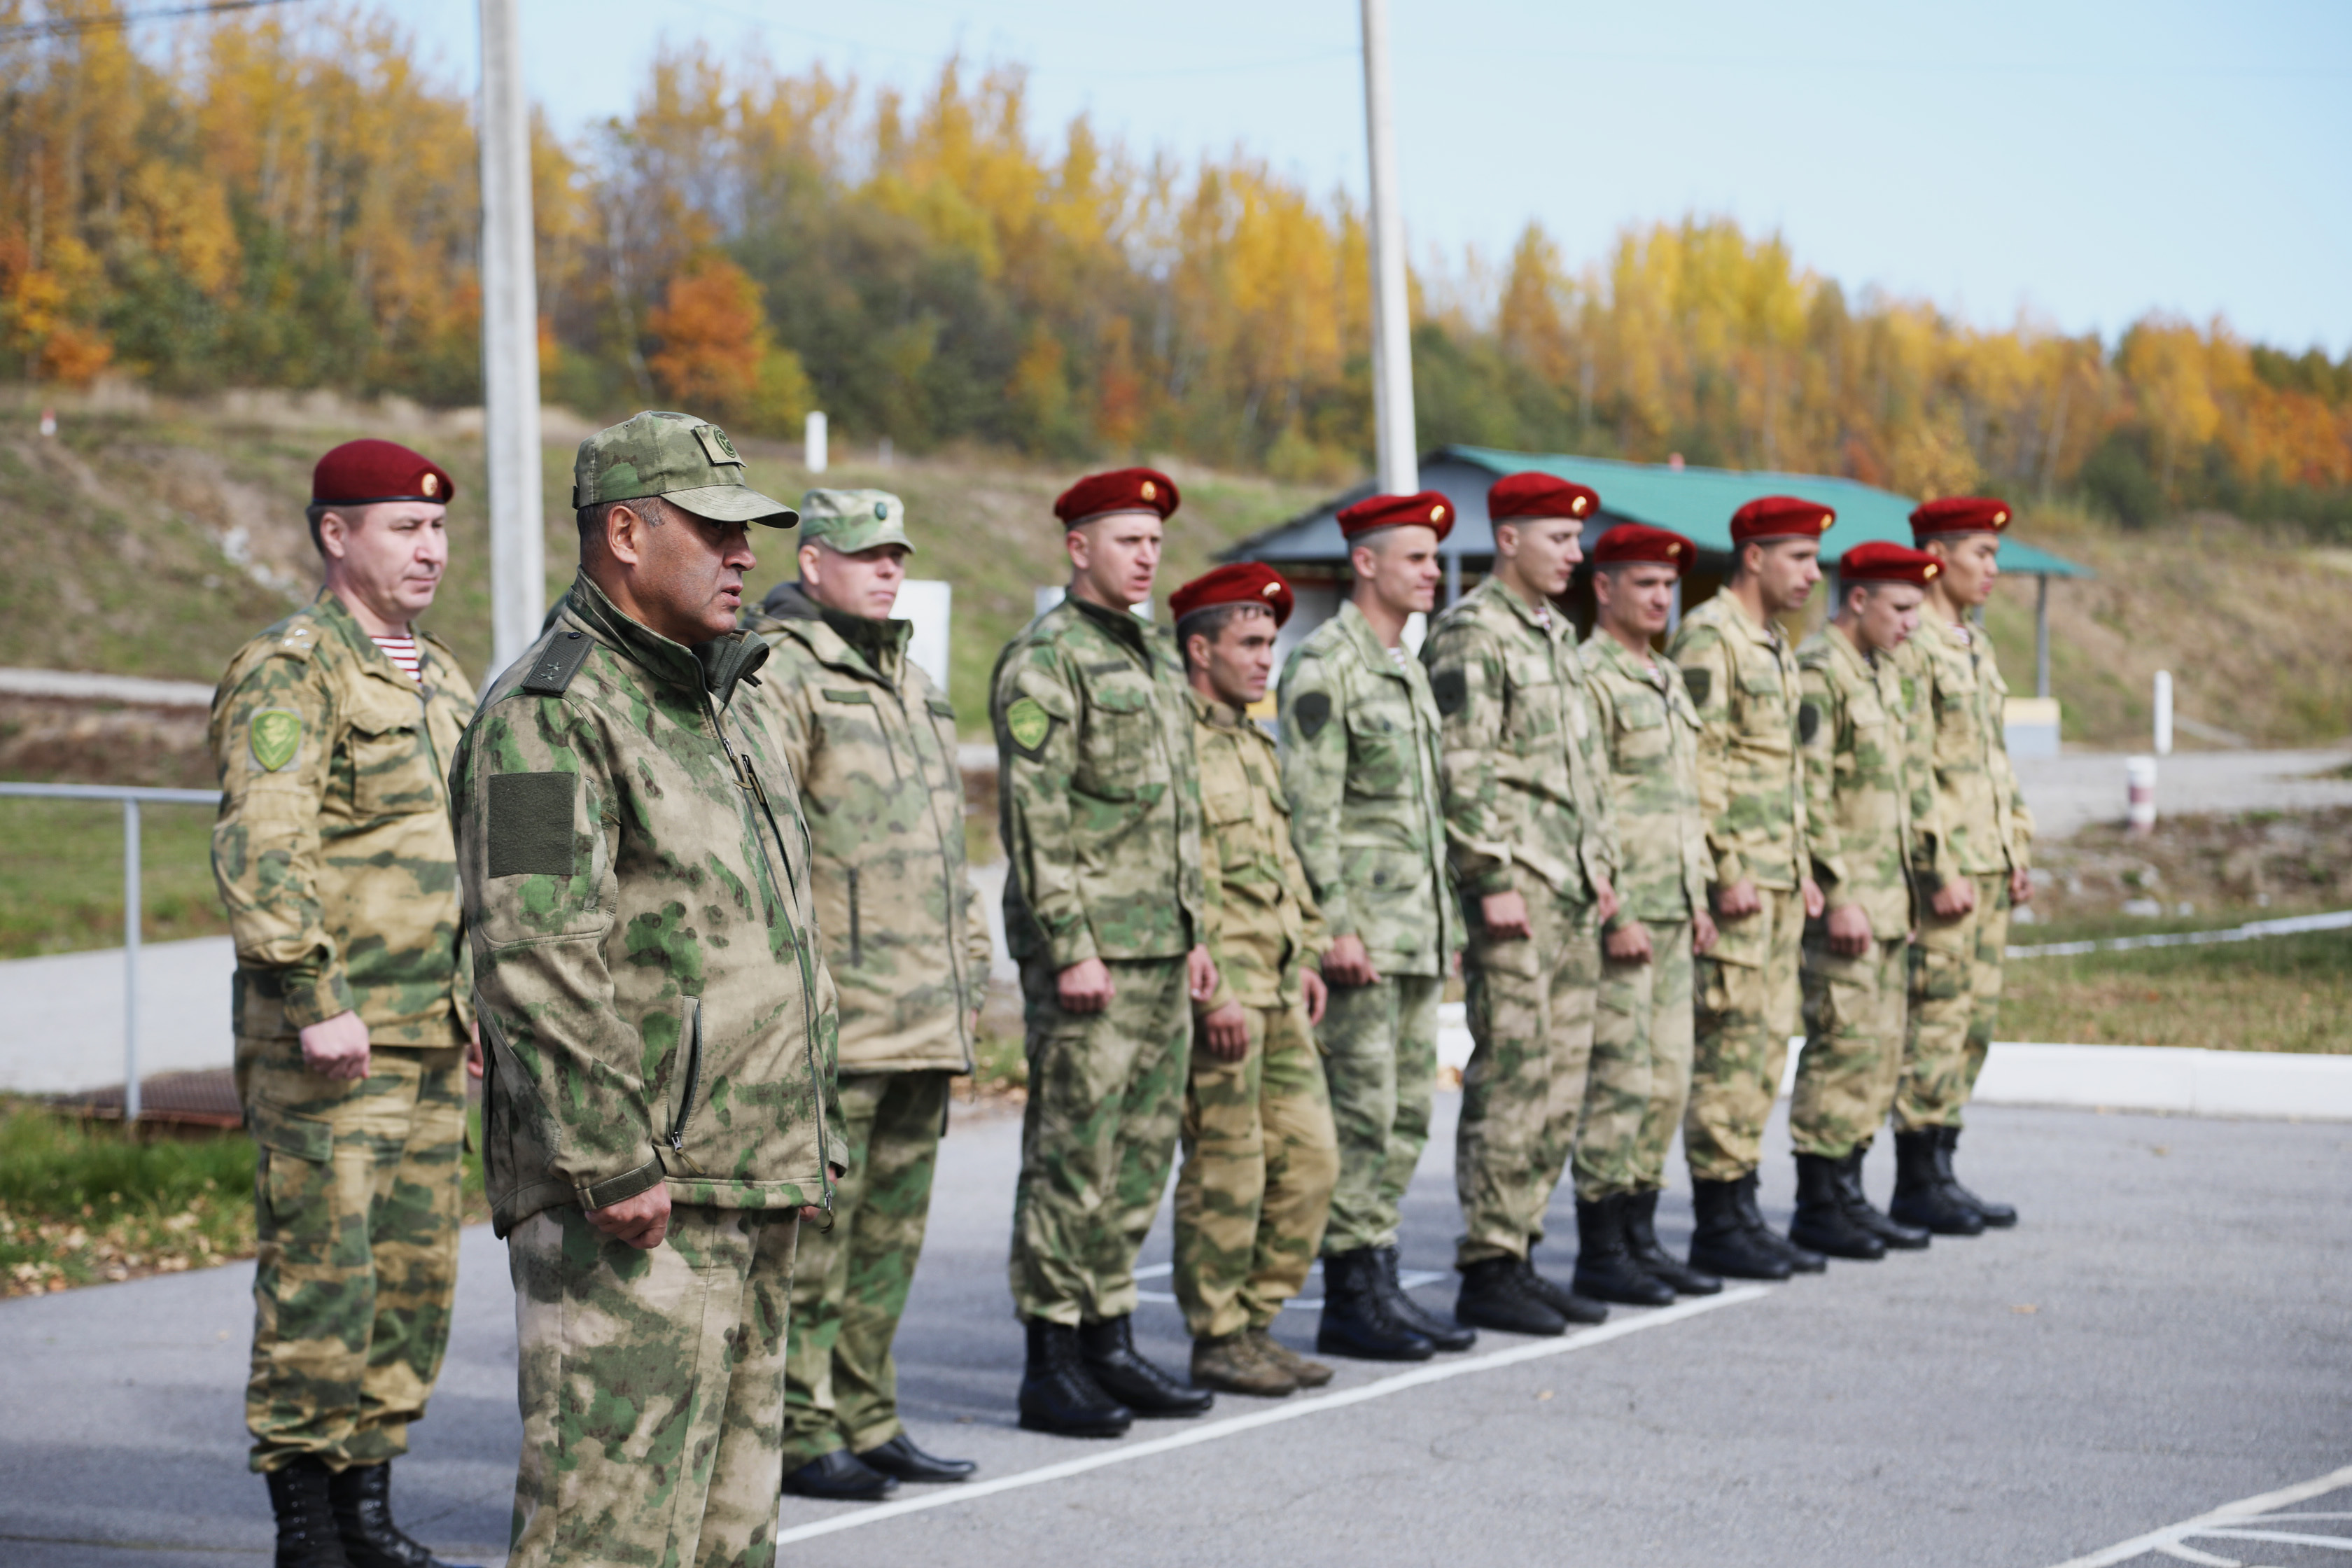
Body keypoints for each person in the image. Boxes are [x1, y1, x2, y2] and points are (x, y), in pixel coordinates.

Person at [451, 411, 843, 1567]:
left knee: (726, 1539)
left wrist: (798, 1140)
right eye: (717, 531)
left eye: (749, 536)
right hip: (633, 1204)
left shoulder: (723, 703)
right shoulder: (548, 716)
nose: (745, 557)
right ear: (626, 533)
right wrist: (609, 1159)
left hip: (744, 1180)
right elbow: (532, 953)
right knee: (611, 1538)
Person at [208, 438, 475, 1568]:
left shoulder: (446, 678)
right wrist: (316, 995)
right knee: (323, 1275)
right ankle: (306, 1529)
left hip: (429, 1036)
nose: (431, 549)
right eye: (405, 529)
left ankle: (368, 1510)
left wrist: (488, 1011)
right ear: (336, 535)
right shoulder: (292, 667)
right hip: (333, 1039)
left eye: (438, 530)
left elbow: (485, 855)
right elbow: (265, 845)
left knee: (411, 1288)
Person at [742, 489, 987, 1499]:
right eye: (864, 555)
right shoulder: (783, 673)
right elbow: (773, 848)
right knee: (821, 1240)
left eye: (896, 554)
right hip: (845, 1015)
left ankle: (867, 1411)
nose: (887, 570)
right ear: (813, 565)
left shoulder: (915, 682)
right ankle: (801, 1427)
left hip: (926, 1012)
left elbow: (951, 850)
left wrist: (971, 971)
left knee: (892, 1234)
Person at [991, 466, 1219, 1437]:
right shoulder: (1048, 661)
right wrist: (1071, 945)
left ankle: (1109, 1338)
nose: (1146, 557)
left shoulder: (1162, 659)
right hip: (1091, 958)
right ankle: (1052, 1360)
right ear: (1078, 547)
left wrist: (1196, 932)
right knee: (1071, 1155)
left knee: (1136, 1155)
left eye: (1156, 543)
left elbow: (1180, 815)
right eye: (1128, 540)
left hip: (1161, 948)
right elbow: (1036, 816)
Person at [1422, 473, 1623, 1334]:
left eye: (1578, 541)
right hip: (1517, 892)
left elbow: (1579, 773)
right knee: (1512, 1076)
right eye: (1559, 539)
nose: (1575, 556)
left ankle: (1524, 1246)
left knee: (1559, 1079)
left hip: (1571, 888)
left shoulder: (1555, 638)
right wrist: (1489, 877)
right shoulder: (1474, 634)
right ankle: (1490, 1259)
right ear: (1509, 540)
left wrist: (1602, 863)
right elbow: (1463, 769)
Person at [1279, 490, 1471, 1362]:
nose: (1433, 573)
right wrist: (1334, 924)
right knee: (1360, 1115)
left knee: (1401, 1115)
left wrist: (1448, 917)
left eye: (1434, 560)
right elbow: (1309, 808)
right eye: (1418, 558)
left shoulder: (1404, 667)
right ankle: (1352, 1294)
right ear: (1366, 562)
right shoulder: (1329, 664)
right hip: (1365, 937)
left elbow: (1419, 812)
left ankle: (1379, 1275)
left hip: (1417, 929)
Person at [1167, 563, 1342, 1398]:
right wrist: (1216, 989)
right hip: (1228, 994)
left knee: (1311, 1160)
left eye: (1273, 641)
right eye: (1251, 642)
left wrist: (1308, 950)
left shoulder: (1251, 740)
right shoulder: (1183, 743)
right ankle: (1218, 1334)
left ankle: (1259, 1318)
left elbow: (1283, 868)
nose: (1268, 657)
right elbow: (1185, 872)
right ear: (1200, 649)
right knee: (1227, 1171)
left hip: (1279, 986)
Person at [1668, 495, 1830, 1281]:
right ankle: (1716, 1215)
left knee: (1765, 1045)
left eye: (1815, 558)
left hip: (1775, 878)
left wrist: (1798, 869)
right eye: (1798, 557)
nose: (1812, 573)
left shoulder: (1773, 643)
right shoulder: (1710, 635)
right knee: (1729, 1044)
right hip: (1739, 881)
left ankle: (1742, 1205)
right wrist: (1725, 868)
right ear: (1755, 556)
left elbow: (1783, 770)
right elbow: (1700, 762)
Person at [1575, 523, 1725, 1303]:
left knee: (1668, 1079)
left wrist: (1699, 896)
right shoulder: (1589, 677)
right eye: (1646, 585)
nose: (1662, 599)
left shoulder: (1664, 678)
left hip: (1674, 907)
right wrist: (1612, 905)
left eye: (1669, 587)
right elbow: (1588, 800)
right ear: (1604, 588)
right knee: (1620, 1080)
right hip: (1626, 913)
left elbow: (1683, 801)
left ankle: (1641, 1231)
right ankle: (1602, 1244)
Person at [1785, 541, 1944, 1261]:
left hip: (1888, 902)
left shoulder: (1880, 672)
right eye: (1902, 607)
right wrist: (1841, 892)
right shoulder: (1823, 670)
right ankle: (1818, 1200)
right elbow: (1809, 792)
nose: (1913, 622)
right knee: (1841, 1044)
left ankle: (1849, 1190)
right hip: (1848, 905)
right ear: (1859, 600)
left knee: (1877, 1052)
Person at [1891, 496, 2035, 1233]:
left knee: (1975, 1021)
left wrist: (2016, 844)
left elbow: (1993, 760)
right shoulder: (1914, 643)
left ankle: (1945, 1163)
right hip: (1945, 870)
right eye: (1981, 552)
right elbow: (1911, 767)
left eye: (1995, 554)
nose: (1993, 569)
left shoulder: (1974, 644)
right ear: (1938, 554)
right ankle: (1916, 1178)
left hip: (1987, 863)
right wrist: (1934, 867)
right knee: (1936, 1019)